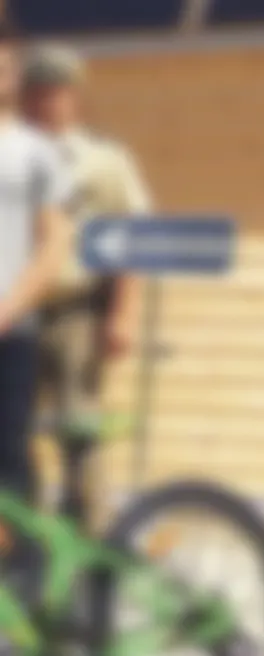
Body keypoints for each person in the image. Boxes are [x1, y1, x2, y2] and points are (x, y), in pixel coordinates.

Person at [22, 41, 152, 529]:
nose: (47, 102)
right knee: (13, 438)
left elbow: (133, 237)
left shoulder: (103, 161)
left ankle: (96, 548)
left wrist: (121, 314)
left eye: (56, 92)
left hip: (78, 314)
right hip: (19, 320)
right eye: (38, 92)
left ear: (72, 97)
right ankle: (28, 551)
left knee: (81, 434)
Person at [0, 25, 72, 510]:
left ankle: (20, 573)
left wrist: (5, 313)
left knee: (8, 460)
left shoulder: (36, 152)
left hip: (13, 337)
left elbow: (55, 245)